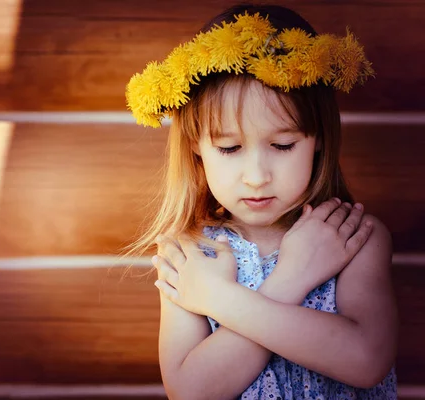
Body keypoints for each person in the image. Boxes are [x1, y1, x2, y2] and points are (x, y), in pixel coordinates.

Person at [121, 4, 398, 399]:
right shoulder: (191, 254)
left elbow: (366, 360)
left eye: (283, 145)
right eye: (230, 148)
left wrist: (220, 298)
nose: (256, 176)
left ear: (318, 139)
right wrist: (292, 278)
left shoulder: (352, 237)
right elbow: (191, 392)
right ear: (197, 148)